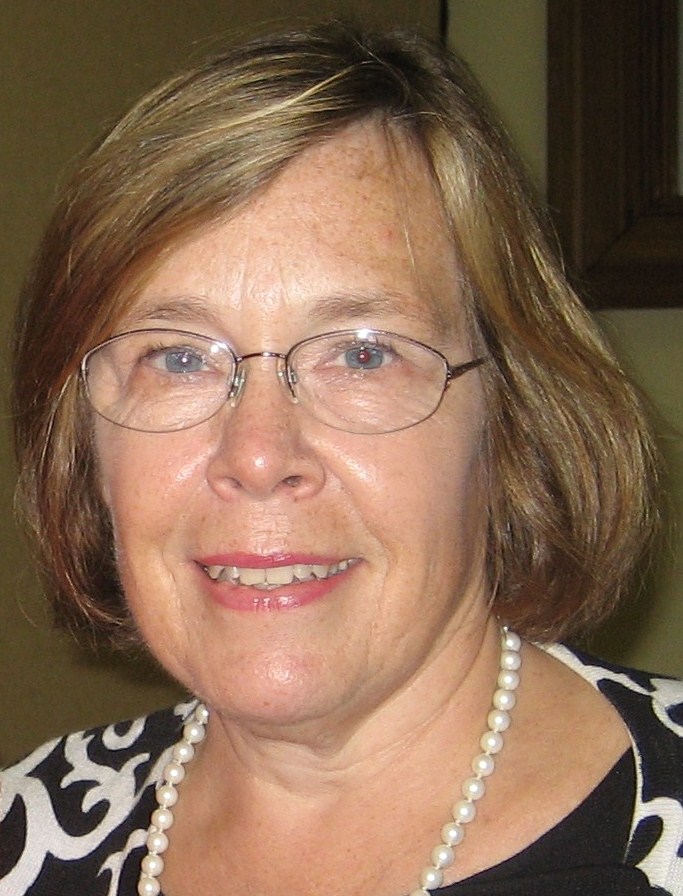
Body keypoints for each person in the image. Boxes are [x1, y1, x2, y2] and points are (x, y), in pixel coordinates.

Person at [1, 20, 682, 896]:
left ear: (509, 416)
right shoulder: (21, 839)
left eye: (362, 354)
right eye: (176, 358)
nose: (257, 457)